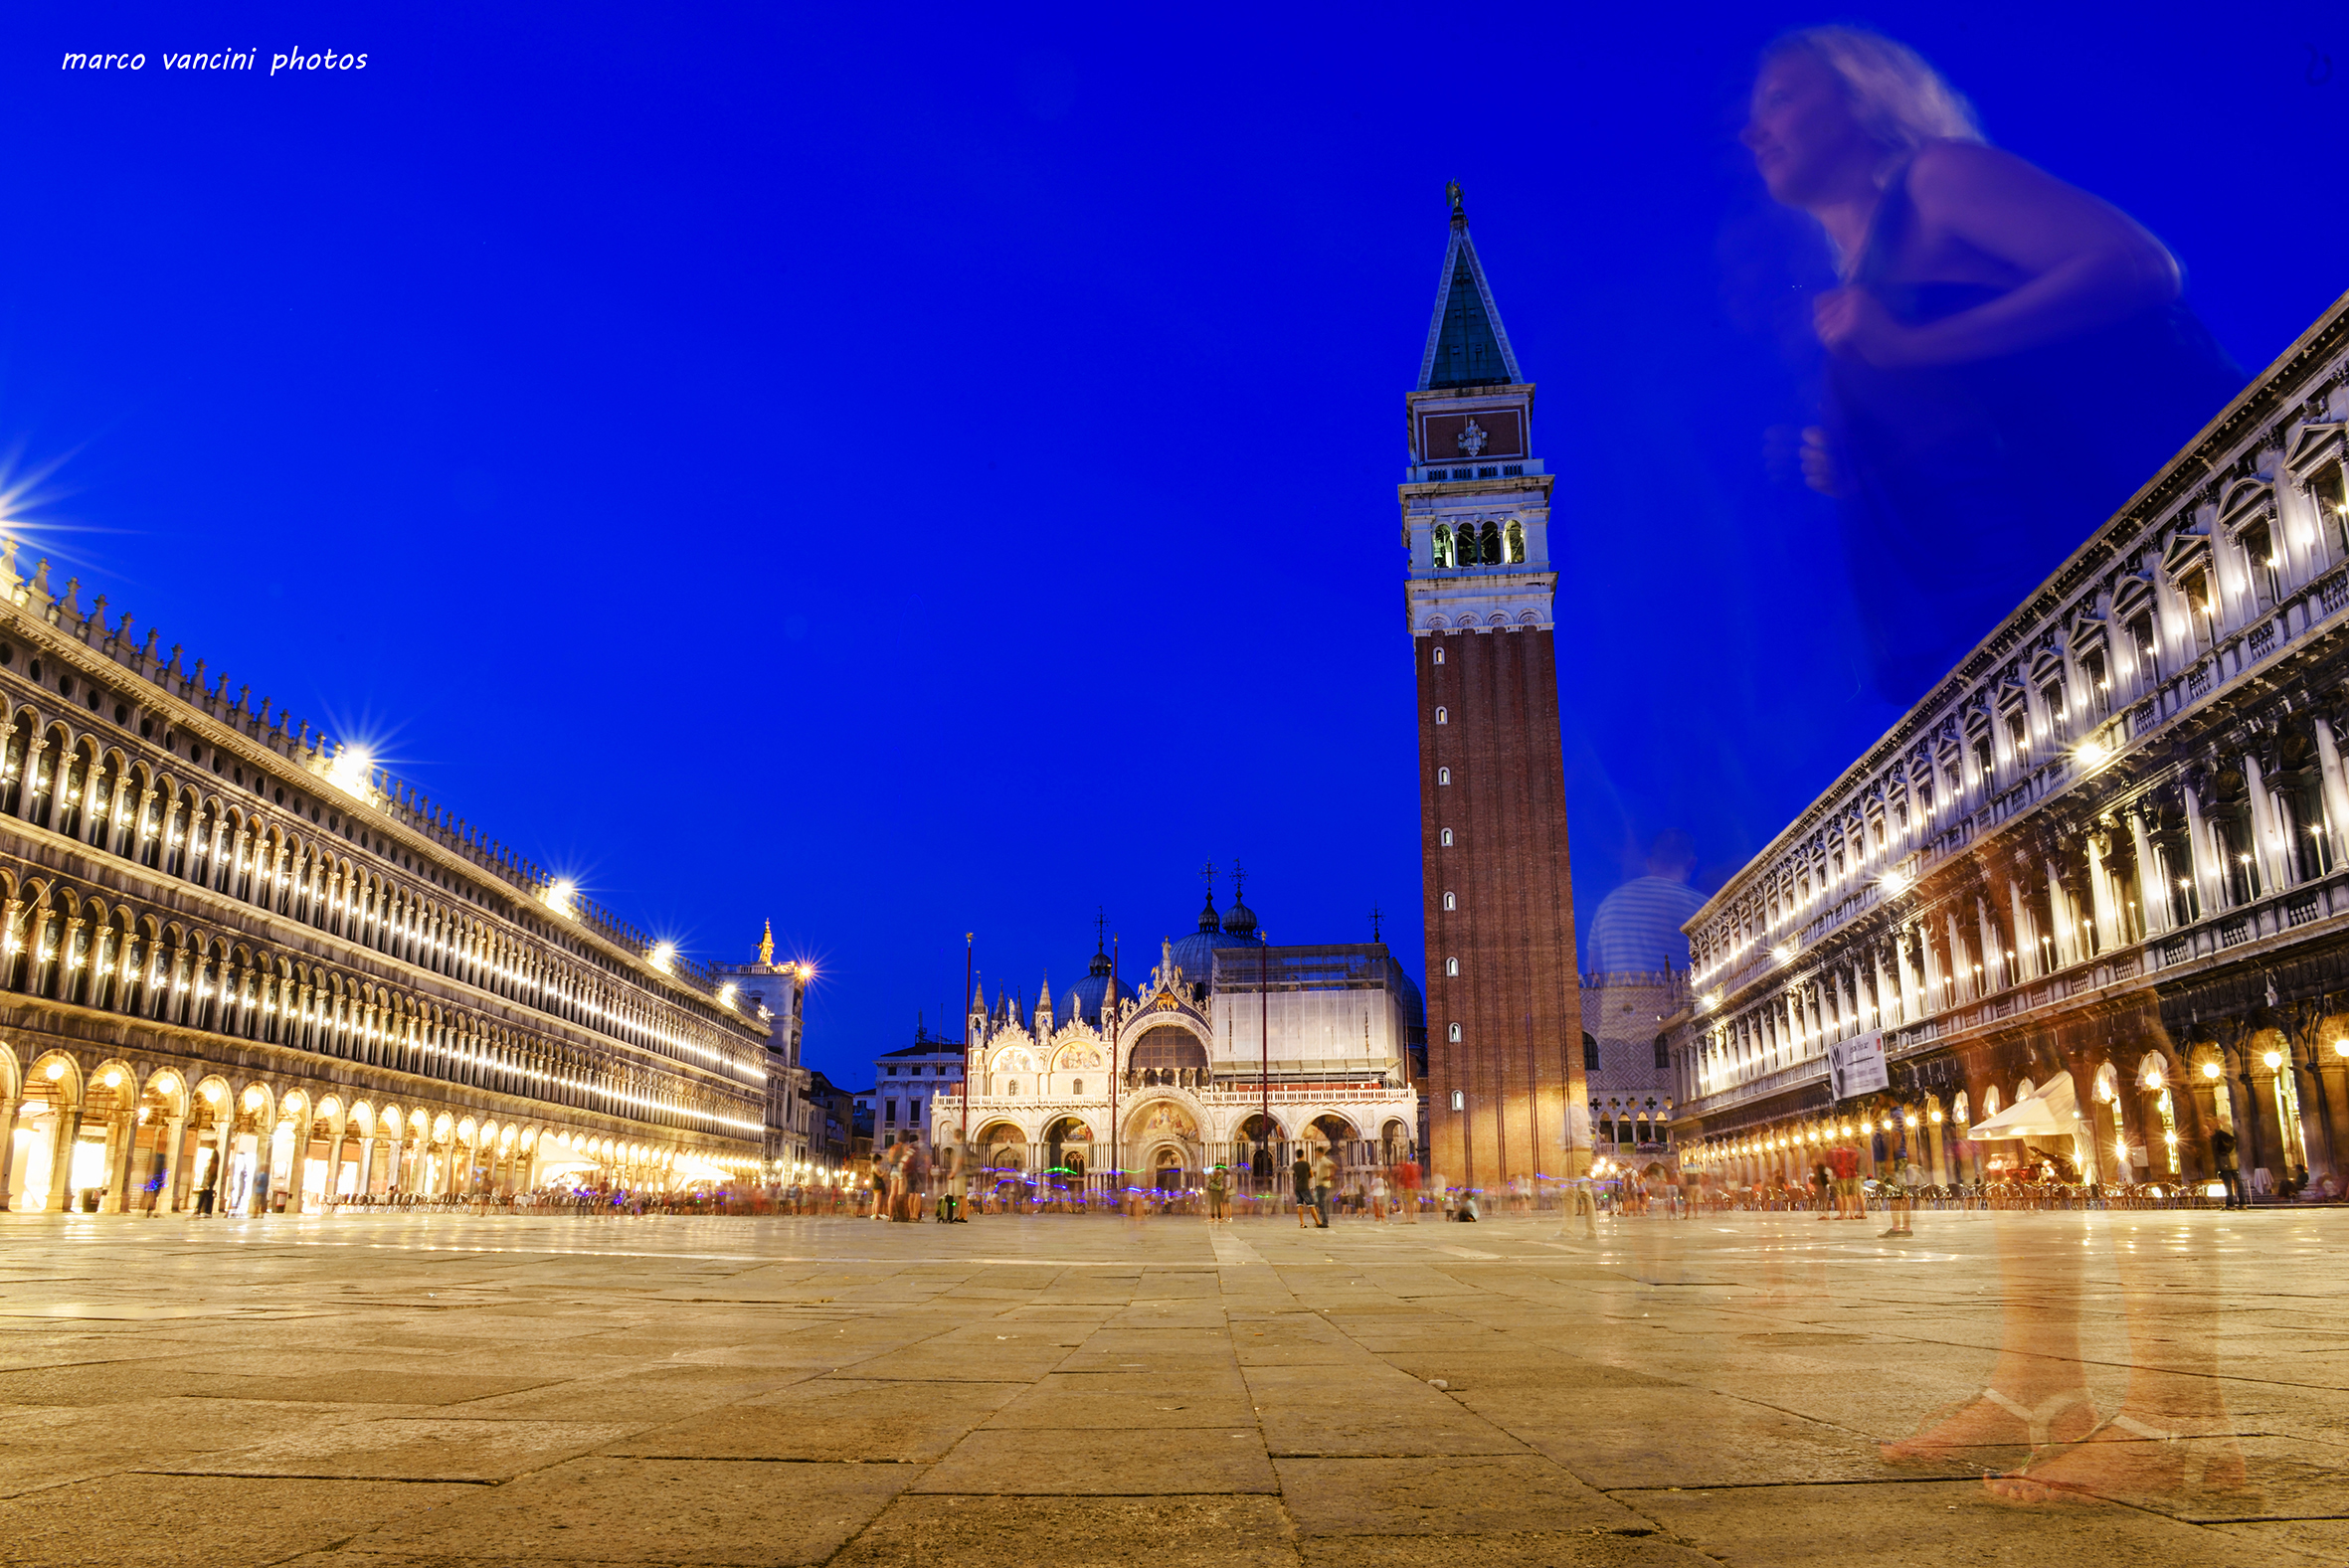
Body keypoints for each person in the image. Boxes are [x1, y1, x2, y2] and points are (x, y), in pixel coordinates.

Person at [1744, 27, 2240, 709]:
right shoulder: (1856, 276)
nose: (1754, 132)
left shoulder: (1936, 182)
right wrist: (1861, 463)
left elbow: (2139, 267)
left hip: (2117, 557)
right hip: (2025, 615)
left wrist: (1913, 347)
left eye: (1780, 97)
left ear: (1861, 99)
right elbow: (1979, 415)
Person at [1828, 1137, 1862, 1220]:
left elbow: (1832, 1163)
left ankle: (1842, 1214)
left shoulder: (1834, 1152)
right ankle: (1850, 1213)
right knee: (1847, 1195)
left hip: (1838, 1175)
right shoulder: (1849, 1152)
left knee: (1838, 1195)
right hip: (1846, 1175)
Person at [2211, 1127, 2245, 1210]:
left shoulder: (2219, 1136)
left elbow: (2216, 1152)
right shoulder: (2234, 1134)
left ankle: (2230, 1204)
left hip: (2225, 1163)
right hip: (2235, 1162)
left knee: (2228, 1185)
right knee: (2238, 1183)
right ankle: (2243, 1203)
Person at [1312, 1148, 1337, 1228]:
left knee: (1322, 1203)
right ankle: (1322, 1221)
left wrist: (1331, 1176)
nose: (1315, 1155)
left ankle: (1325, 1222)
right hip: (1320, 1185)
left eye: (1316, 1153)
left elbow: (1333, 1166)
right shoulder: (1320, 1161)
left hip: (1323, 1185)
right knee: (1320, 1203)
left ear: (1319, 1152)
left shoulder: (1324, 1160)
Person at [1291, 1152, 1316, 1229]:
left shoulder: (1294, 1165)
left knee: (1299, 1205)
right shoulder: (1306, 1164)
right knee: (1311, 1205)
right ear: (1303, 1155)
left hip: (1297, 1187)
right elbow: (1311, 1174)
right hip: (1304, 1187)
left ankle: (1302, 1223)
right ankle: (1318, 1221)